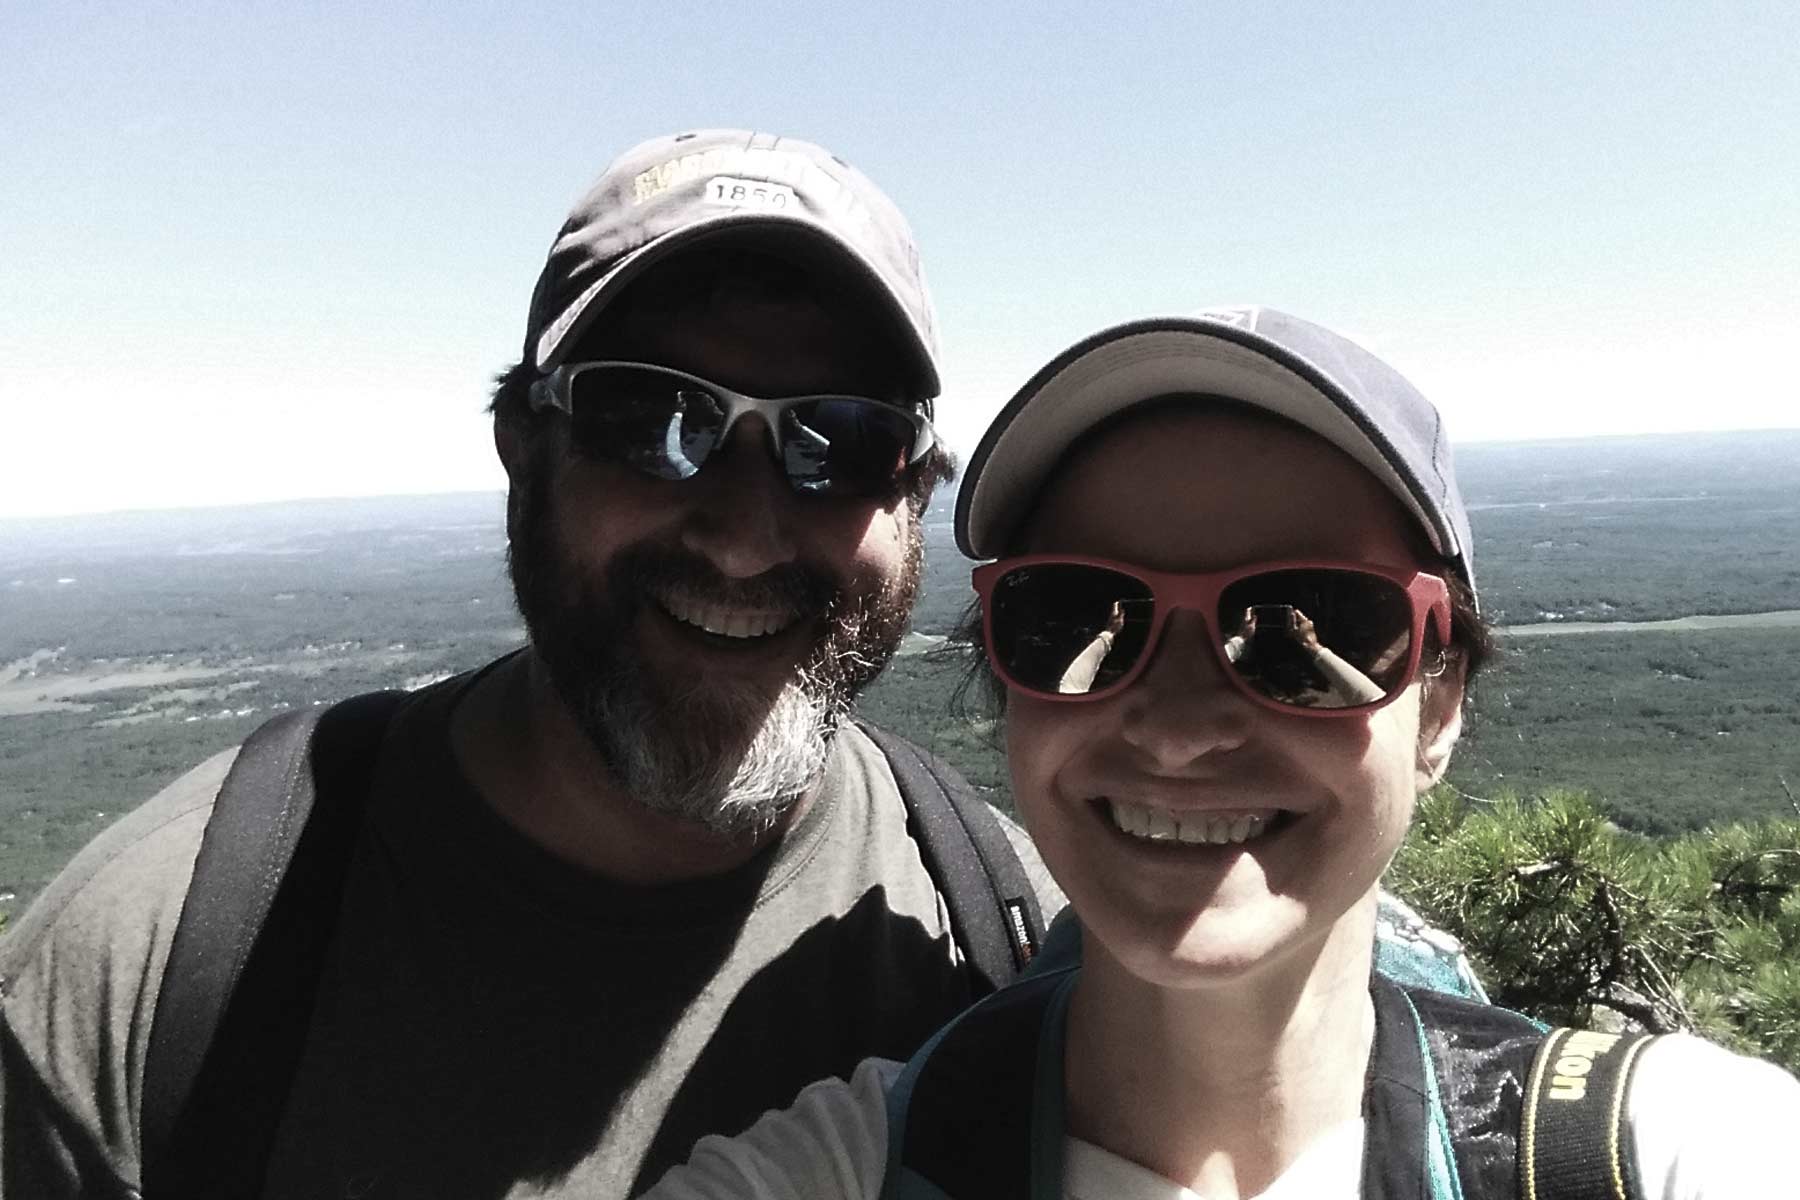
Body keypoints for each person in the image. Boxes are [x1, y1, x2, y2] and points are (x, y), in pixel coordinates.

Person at [0, 129, 1063, 1199]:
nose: (745, 538)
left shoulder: (1014, 942)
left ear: (915, 487)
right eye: (654, 418)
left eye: (840, 437)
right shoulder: (153, 969)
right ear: (521, 443)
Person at [643, 306, 1800, 1199]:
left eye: (1314, 625)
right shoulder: (851, 1166)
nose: (1183, 726)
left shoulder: (1649, 1153)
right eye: (1079, 619)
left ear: (1439, 707)